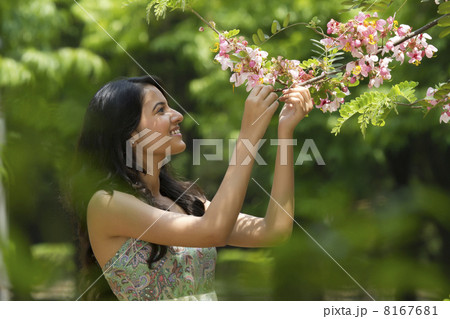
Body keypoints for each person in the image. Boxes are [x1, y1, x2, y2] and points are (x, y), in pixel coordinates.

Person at [68, 75, 313, 301]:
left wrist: (285, 132)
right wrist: (249, 134)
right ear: (130, 132)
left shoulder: (186, 201)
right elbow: (212, 231)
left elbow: (274, 231)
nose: (177, 115)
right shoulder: (107, 203)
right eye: (160, 110)